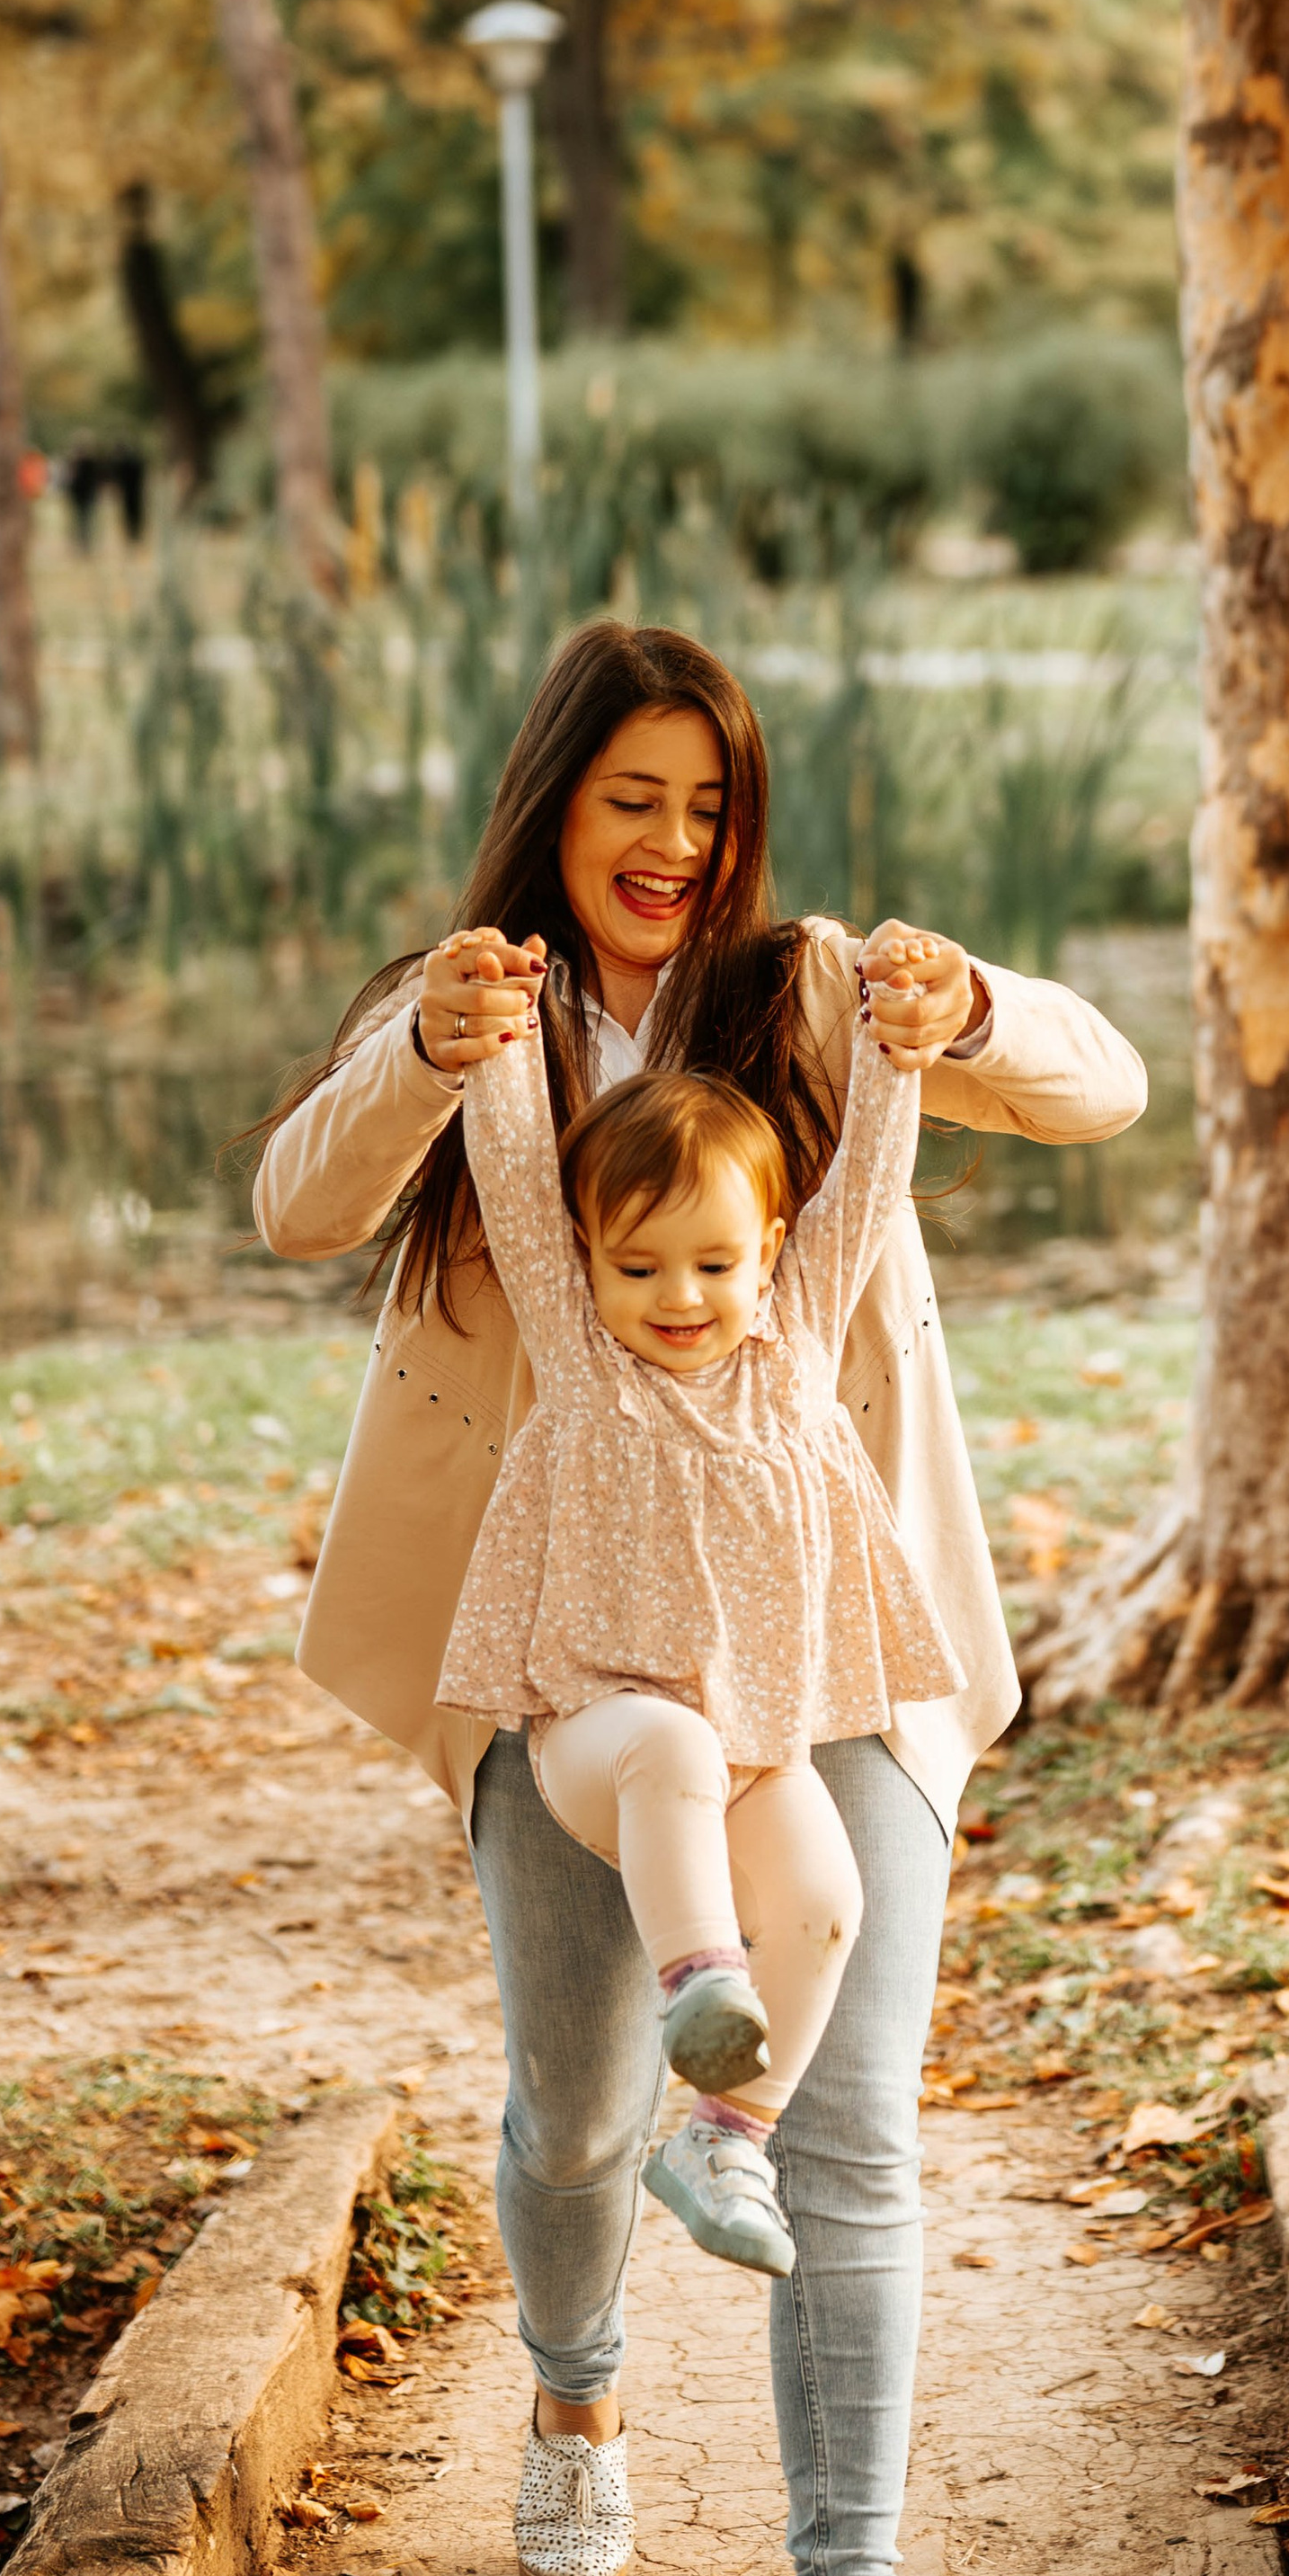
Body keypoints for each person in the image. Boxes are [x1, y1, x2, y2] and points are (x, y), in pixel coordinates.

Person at [253, 618, 1146, 2576]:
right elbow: (296, 1204)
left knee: (843, 2132)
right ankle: (575, 2399)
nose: (670, 841)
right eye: (629, 797)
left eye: (706, 802)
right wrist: (419, 1053)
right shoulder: (470, 1004)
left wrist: (971, 1009)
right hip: (567, 1648)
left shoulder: (814, 993)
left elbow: (1103, 1083)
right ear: (555, 804)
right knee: (576, 2113)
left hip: (834, 1630)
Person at [439, 931, 962, 2283]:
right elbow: (515, 1174)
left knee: (829, 1900)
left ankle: (727, 2137)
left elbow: (867, 1180)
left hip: (757, 1745)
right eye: (640, 1267)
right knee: (667, 1746)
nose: (678, 1297)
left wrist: (896, 1043)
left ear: (769, 1252)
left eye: (714, 1266)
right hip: (600, 1734)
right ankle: (699, 1983)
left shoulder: (796, 1344)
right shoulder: (583, 1355)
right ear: (588, 1261)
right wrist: (501, 1036)